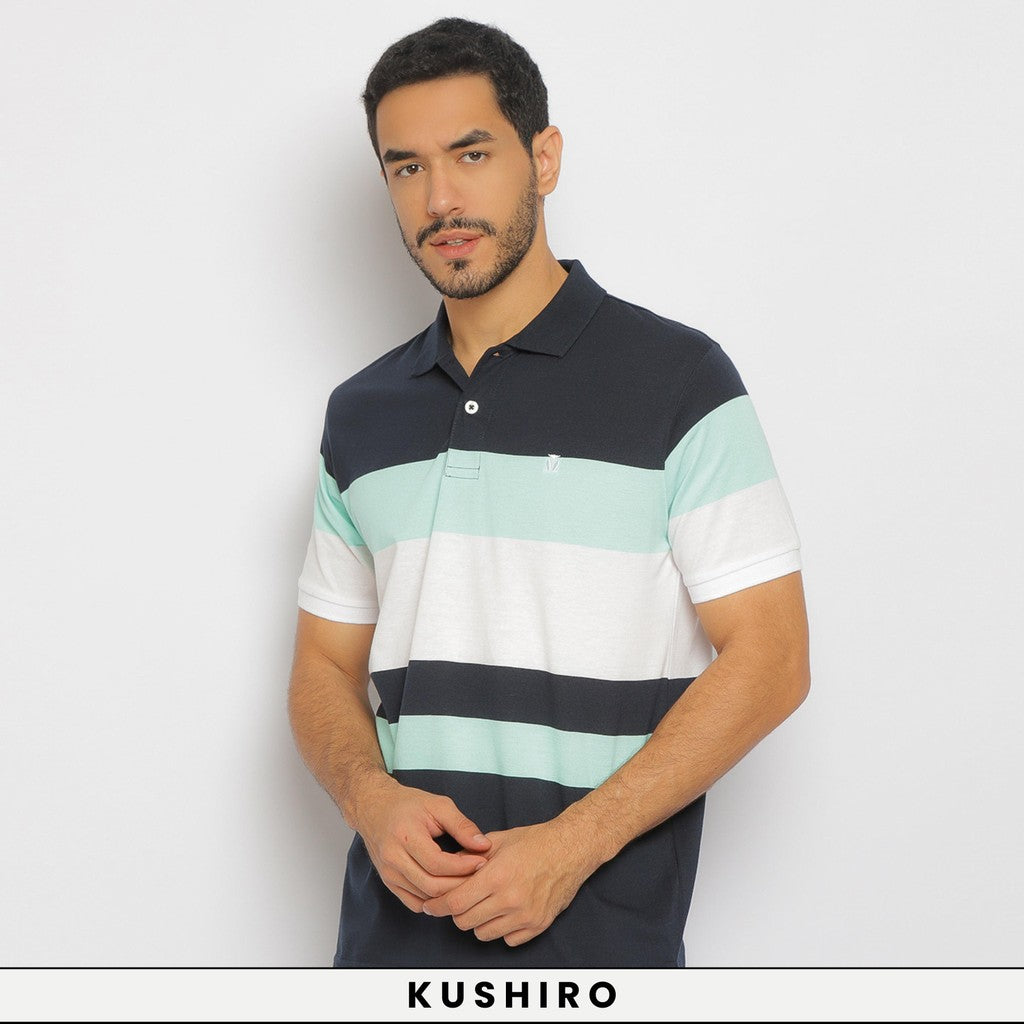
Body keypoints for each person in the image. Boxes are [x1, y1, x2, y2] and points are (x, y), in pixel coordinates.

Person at [288, 17, 810, 969]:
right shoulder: (360, 413)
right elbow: (323, 665)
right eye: (406, 167)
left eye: (471, 153)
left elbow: (772, 659)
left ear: (544, 157)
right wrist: (370, 798)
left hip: (600, 954)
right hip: (387, 952)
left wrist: (572, 846)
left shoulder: (679, 381)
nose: (440, 198)